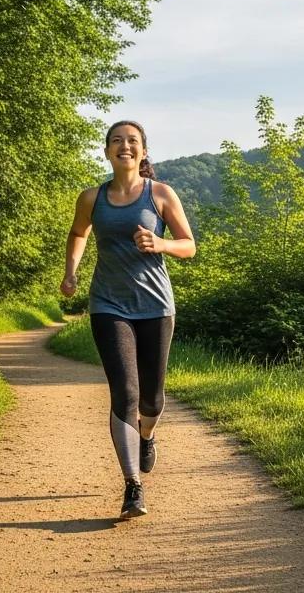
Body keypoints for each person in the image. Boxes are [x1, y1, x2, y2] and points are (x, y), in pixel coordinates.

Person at [61, 120, 196, 520]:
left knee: (152, 400)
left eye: (132, 141)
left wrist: (162, 243)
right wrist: (71, 271)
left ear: (143, 152)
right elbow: (78, 233)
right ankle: (132, 487)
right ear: (106, 152)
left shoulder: (161, 194)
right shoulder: (91, 198)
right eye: (117, 141)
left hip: (156, 306)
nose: (125, 146)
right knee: (125, 393)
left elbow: (189, 245)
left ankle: (147, 436)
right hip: (108, 305)